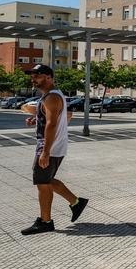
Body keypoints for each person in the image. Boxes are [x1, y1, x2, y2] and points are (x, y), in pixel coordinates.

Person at [21, 64, 88, 235]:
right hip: (53, 145)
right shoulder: (52, 96)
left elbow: (51, 124)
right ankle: (76, 203)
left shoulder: (51, 97)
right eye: (32, 76)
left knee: (43, 183)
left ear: (49, 78)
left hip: (49, 146)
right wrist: (37, 119)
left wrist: (45, 151)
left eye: (38, 76)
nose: (33, 79)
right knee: (46, 180)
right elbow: (64, 117)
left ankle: (46, 221)